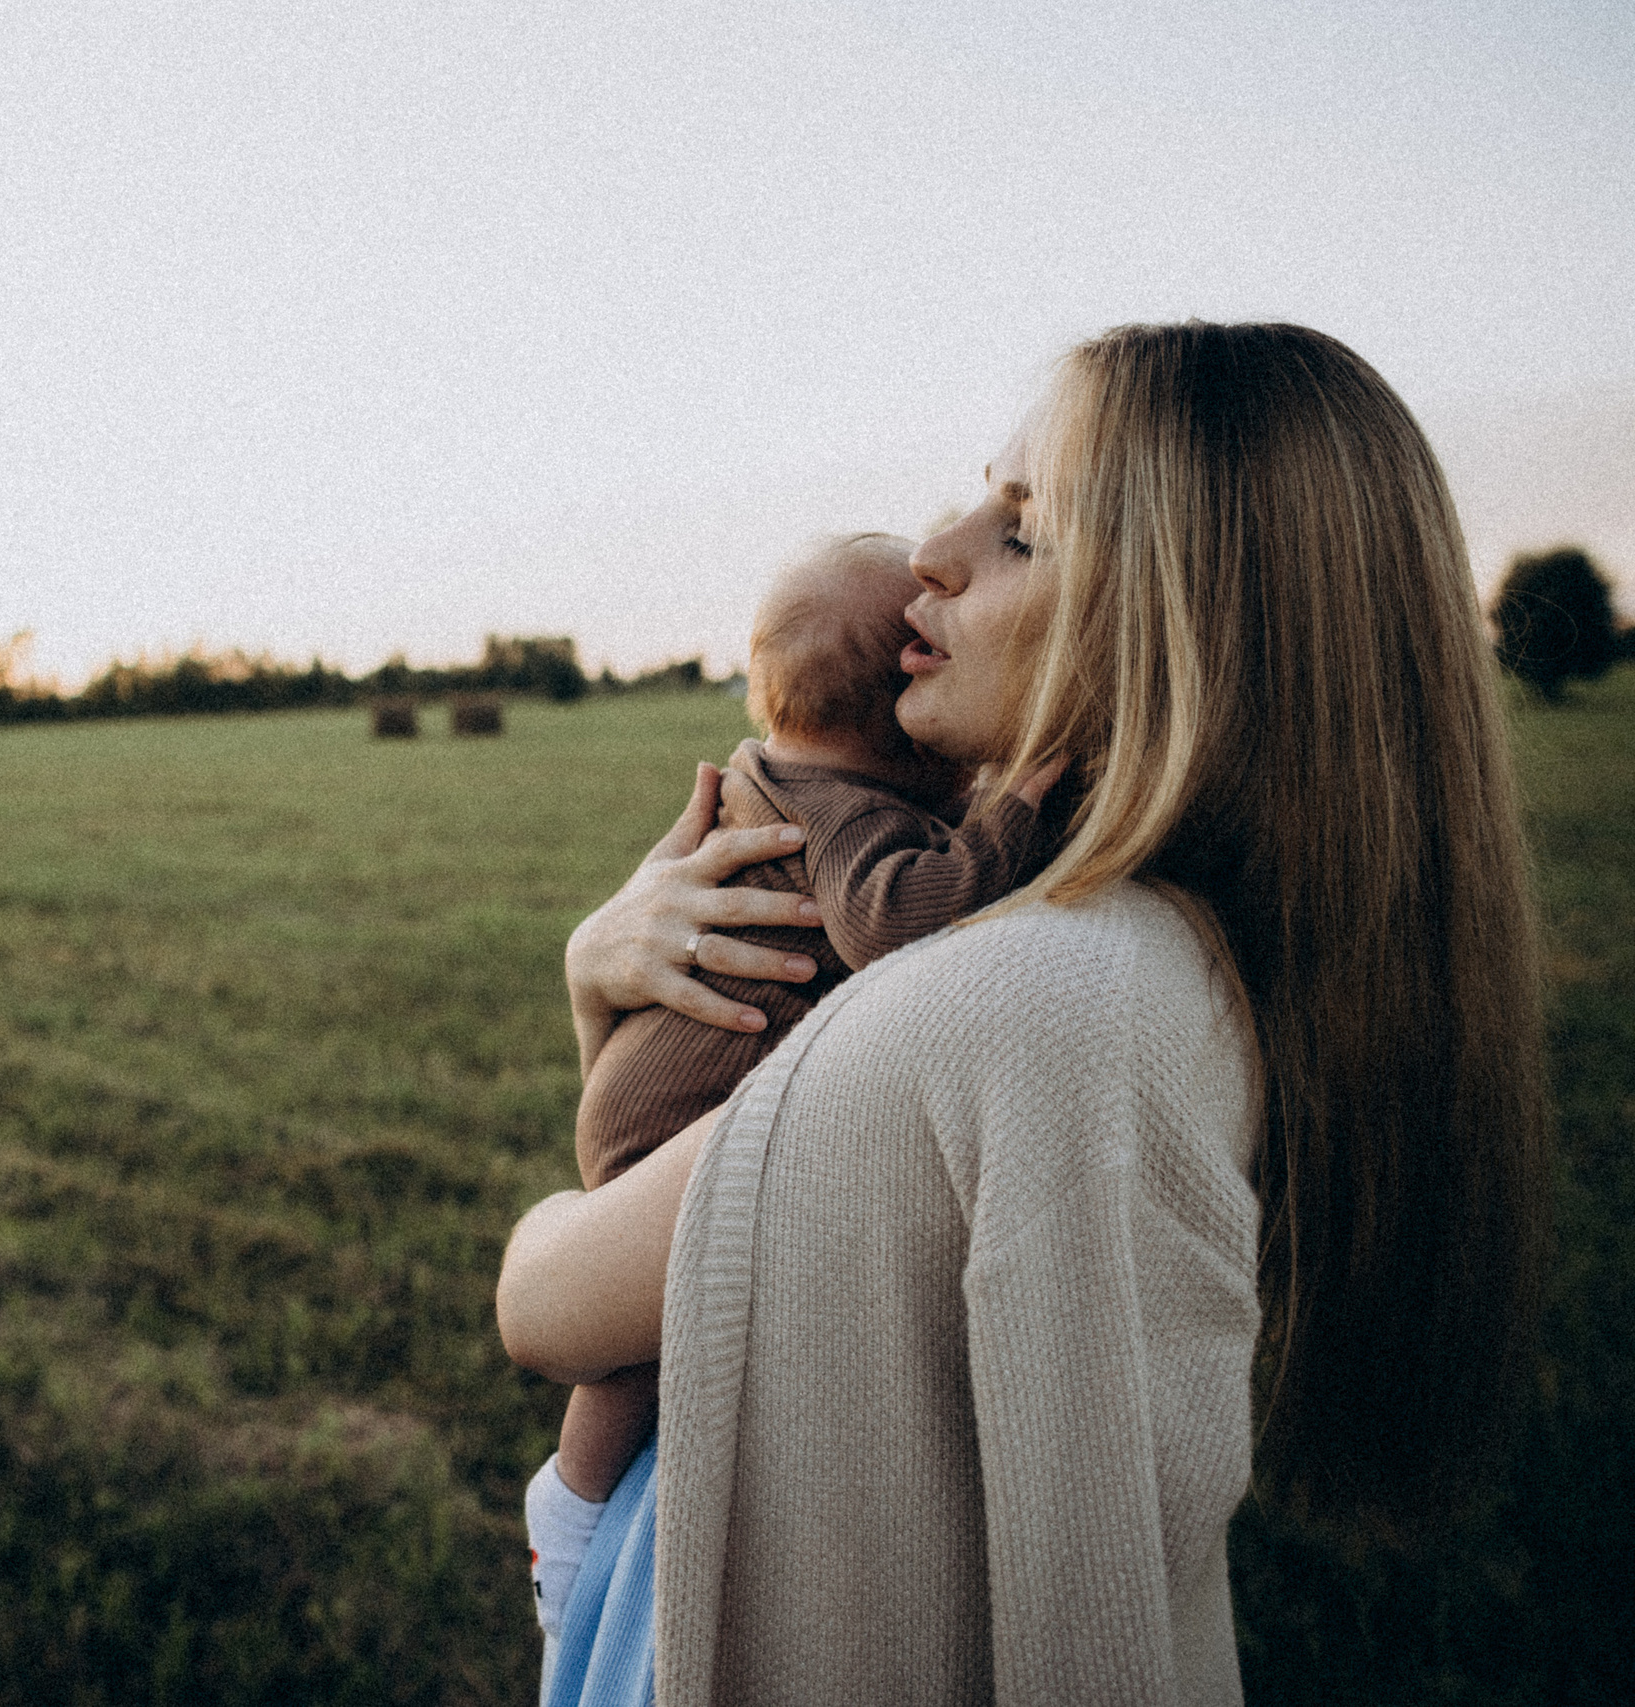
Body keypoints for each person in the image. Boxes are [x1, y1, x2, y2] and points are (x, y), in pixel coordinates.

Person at [498, 321, 1549, 1705]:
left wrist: (597, 1025)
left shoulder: (996, 1006)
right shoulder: (1159, 956)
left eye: (1025, 528)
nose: (932, 551)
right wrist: (608, 987)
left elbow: (547, 1298)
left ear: (1188, 624)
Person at [525, 533, 1065, 1654]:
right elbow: (897, 918)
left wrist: (590, 980)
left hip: (655, 1087)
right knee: (640, 1349)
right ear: (897, 718)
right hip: (679, 1116)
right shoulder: (850, 815)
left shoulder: (781, 775)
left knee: (648, 1342)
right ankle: (572, 1499)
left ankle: (573, 1501)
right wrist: (1016, 810)